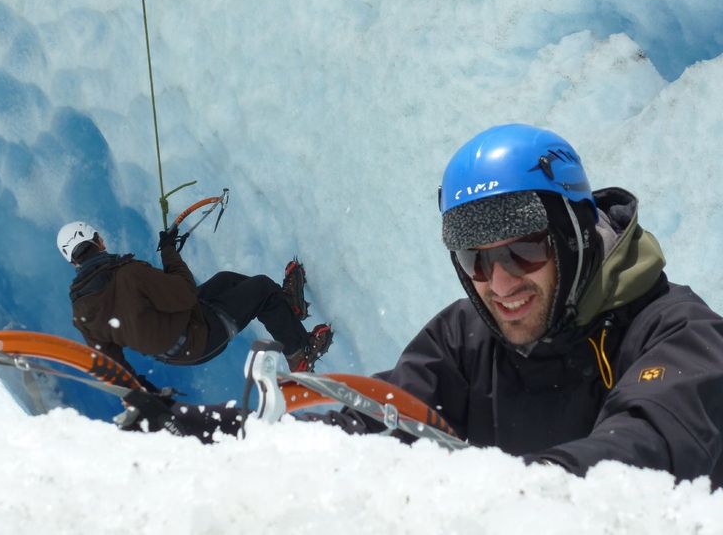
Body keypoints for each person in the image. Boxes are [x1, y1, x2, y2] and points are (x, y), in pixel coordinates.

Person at [115, 124, 723, 488]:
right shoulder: (466, 339)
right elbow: (377, 422)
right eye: (475, 259)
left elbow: (648, 447)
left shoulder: (679, 335)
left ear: (575, 231)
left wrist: (512, 500)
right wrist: (218, 430)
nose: (500, 282)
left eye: (524, 249)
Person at [56, 222, 333, 376]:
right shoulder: (129, 274)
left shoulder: (82, 309)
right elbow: (184, 294)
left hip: (176, 348)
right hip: (199, 338)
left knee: (226, 280)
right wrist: (169, 252)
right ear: (100, 241)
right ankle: (300, 354)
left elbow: (110, 362)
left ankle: (286, 309)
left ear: (73, 263)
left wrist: (141, 396)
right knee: (260, 288)